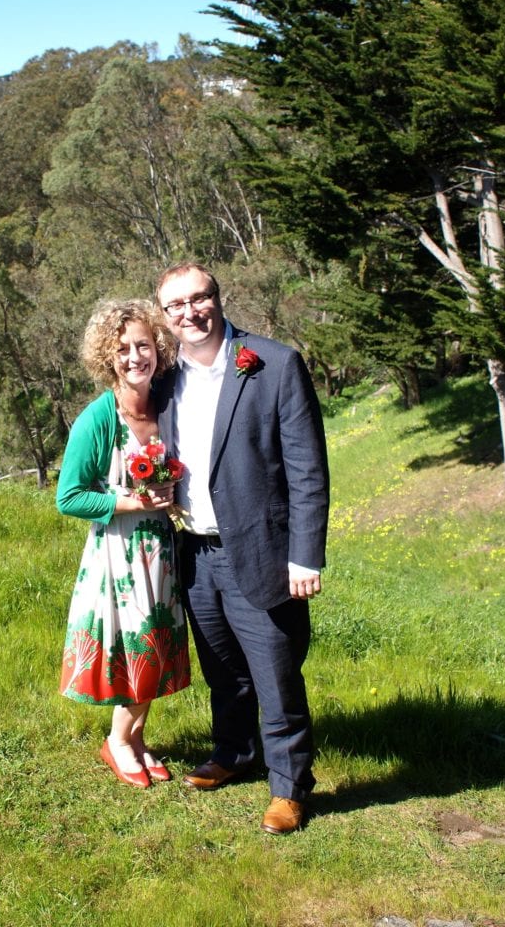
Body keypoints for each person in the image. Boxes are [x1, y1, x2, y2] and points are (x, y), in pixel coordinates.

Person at [155, 262, 329, 833]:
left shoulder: (274, 364)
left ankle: (290, 788)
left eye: (198, 299)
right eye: (175, 306)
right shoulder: (163, 379)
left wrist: (304, 555)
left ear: (217, 298)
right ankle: (234, 753)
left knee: (276, 672)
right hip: (194, 552)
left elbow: (307, 470)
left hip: (261, 549)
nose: (189, 313)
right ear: (165, 315)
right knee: (222, 669)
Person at [56, 298, 190, 788]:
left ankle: (134, 739)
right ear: (107, 357)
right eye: (124, 349)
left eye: (144, 345)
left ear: (158, 348)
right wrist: (135, 502)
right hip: (120, 553)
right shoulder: (99, 418)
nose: (136, 357)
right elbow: (68, 497)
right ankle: (117, 742)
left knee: (154, 643)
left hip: (164, 552)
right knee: (132, 642)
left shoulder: (167, 405)